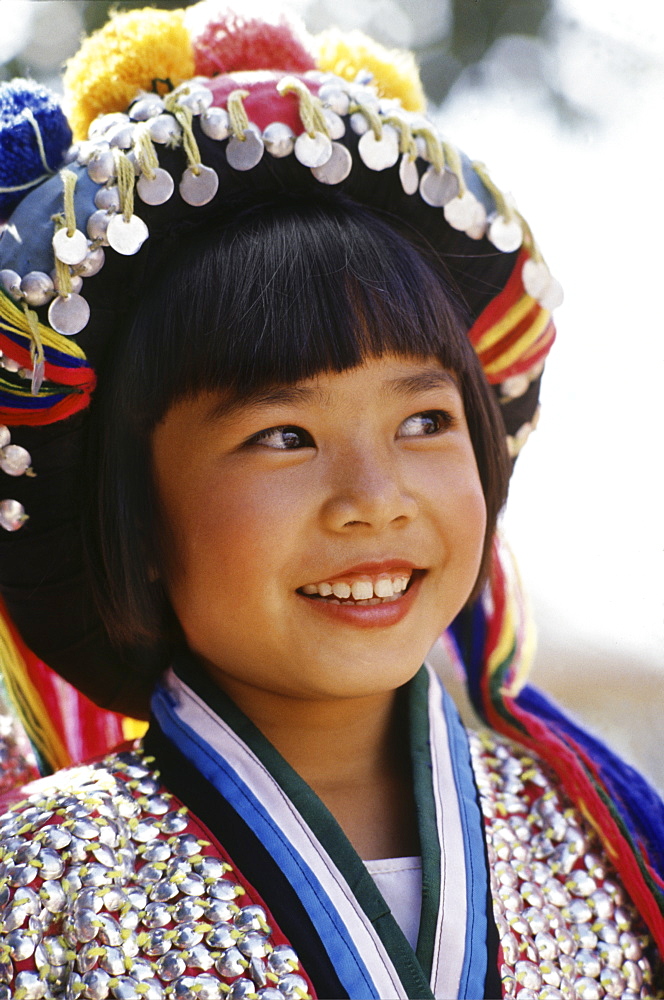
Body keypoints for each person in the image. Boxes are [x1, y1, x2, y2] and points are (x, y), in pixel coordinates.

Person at [0, 4, 662, 998]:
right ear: (133, 516)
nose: (373, 499)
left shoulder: (597, 840)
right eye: (283, 436)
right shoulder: (42, 877)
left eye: (424, 422)